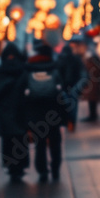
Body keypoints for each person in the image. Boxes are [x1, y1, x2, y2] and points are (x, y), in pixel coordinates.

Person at [21, 44, 72, 182]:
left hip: (36, 113)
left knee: (40, 144)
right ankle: (55, 170)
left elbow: (22, 92)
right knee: (55, 144)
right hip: (53, 113)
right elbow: (62, 92)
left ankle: (42, 171)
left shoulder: (29, 69)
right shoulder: (54, 68)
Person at [0, 43, 29, 184]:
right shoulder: (23, 70)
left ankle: (11, 167)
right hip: (21, 111)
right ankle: (19, 167)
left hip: (5, 112)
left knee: (8, 141)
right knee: (20, 140)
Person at [80, 40, 100, 122]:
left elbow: (91, 70)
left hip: (92, 83)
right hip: (93, 83)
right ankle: (93, 115)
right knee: (92, 100)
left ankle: (92, 115)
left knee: (92, 100)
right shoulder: (95, 59)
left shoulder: (92, 60)